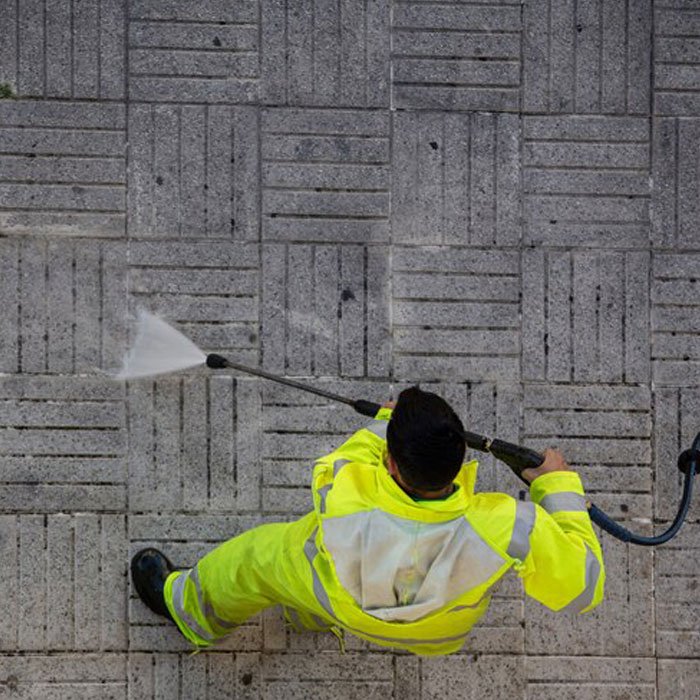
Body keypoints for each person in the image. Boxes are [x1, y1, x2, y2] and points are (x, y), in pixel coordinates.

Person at [131, 385, 605, 656]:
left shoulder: (345, 489)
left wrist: (384, 421)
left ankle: (189, 609)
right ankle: (306, 619)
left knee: (255, 558)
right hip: (434, 633)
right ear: (461, 459)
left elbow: (353, 453)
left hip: (341, 598)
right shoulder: (509, 525)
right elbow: (584, 586)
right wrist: (558, 487)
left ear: (393, 465)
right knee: (304, 577)